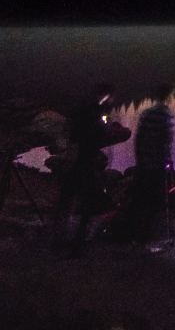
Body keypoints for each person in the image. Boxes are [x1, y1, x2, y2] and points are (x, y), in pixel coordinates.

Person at [53, 82, 117, 255]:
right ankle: (77, 244)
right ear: (107, 96)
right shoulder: (95, 111)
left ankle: (58, 238)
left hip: (75, 159)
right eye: (111, 98)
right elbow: (101, 133)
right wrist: (107, 128)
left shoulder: (84, 108)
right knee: (88, 203)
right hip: (84, 161)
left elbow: (73, 132)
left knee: (67, 200)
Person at [128, 84, 175, 243]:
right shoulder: (166, 115)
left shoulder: (146, 113)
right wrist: (167, 160)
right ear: (168, 96)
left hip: (143, 161)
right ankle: (149, 236)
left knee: (140, 198)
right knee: (155, 200)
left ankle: (135, 233)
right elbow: (167, 140)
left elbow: (138, 138)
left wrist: (140, 158)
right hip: (156, 162)